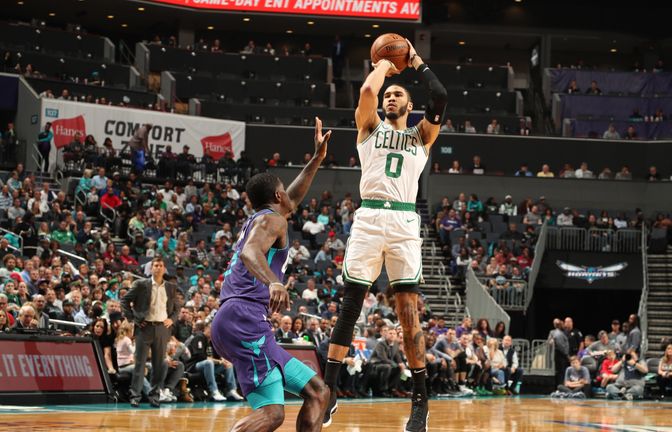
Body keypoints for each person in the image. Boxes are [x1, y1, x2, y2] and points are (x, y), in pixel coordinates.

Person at [323, 39, 446, 432]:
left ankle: (420, 404)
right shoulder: (369, 127)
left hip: (405, 223)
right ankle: (328, 392)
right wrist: (381, 66)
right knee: (350, 305)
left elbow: (440, 95)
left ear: (411, 106)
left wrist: (415, 62)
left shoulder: (422, 135)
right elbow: (365, 92)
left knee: (408, 314)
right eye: (388, 95)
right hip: (370, 216)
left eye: (398, 95)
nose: (390, 97)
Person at [210, 118, 331, 432]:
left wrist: (317, 158)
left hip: (244, 319)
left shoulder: (269, 216)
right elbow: (251, 252)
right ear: (278, 198)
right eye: (284, 192)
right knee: (273, 414)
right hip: (243, 317)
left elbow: (295, 195)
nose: (290, 196)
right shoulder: (270, 223)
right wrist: (274, 281)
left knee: (319, 392)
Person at [120, 257, 181, 408]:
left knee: (159, 365)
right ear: (151, 268)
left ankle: (154, 396)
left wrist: (171, 319)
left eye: (161, 265)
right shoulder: (141, 284)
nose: (158, 268)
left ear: (164, 268)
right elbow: (124, 301)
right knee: (140, 364)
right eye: (155, 265)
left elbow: (176, 308)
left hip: (162, 328)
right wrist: (133, 319)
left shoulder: (171, 287)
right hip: (144, 327)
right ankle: (135, 395)